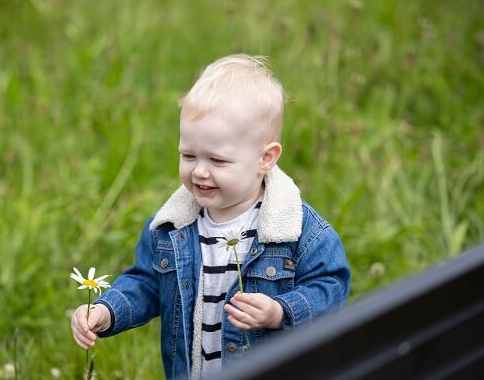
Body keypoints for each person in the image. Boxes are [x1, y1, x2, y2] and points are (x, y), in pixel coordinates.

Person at [71, 54, 351, 379]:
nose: (200, 172)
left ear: (266, 158)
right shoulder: (171, 230)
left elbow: (331, 288)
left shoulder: (298, 231)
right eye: (188, 155)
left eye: (217, 161)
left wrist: (280, 311)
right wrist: (107, 310)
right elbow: (146, 282)